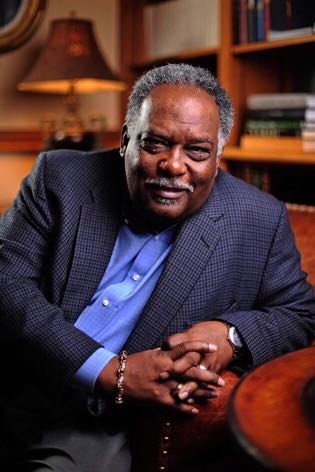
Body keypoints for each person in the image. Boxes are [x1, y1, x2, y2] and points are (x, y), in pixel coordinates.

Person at [0, 63, 314, 472]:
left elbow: (300, 314)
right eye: (155, 144)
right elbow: (7, 279)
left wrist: (230, 335)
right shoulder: (60, 178)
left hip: (102, 423)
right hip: (19, 376)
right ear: (126, 140)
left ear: (217, 156)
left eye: (197, 151)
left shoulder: (259, 220)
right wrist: (110, 370)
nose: (174, 165)